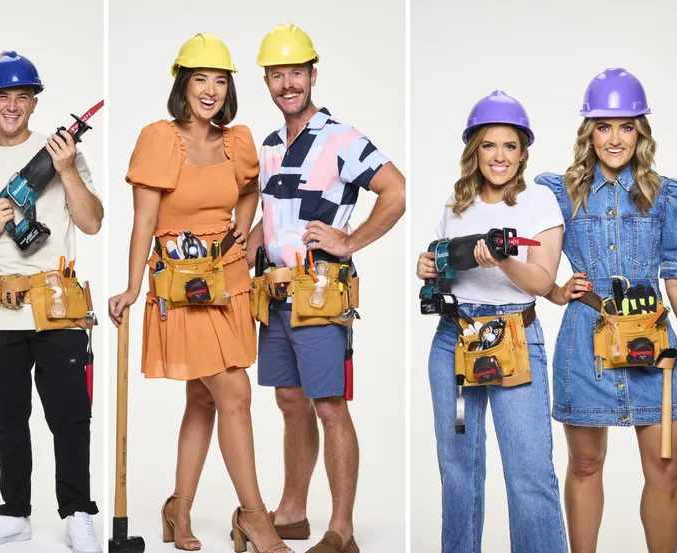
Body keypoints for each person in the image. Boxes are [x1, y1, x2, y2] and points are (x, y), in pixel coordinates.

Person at [108, 33, 292, 553]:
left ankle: (178, 509)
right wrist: (132, 286)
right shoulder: (160, 139)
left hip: (229, 281)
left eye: (220, 81)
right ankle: (254, 517)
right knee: (234, 392)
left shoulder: (237, 141)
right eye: (200, 80)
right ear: (183, 85)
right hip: (182, 284)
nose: (210, 91)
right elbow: (144, 222)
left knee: (203, 397)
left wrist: (242, 231)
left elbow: (251, 190)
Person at [246, 24, 406, 553]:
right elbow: (276, 215)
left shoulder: (342, 139)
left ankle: (342, 530)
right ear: (266, 82)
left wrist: (350, 240)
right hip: (273, 293)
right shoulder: (271, 145)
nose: (287, 84)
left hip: (319, 291)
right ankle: (292, 513)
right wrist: (249, 242)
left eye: (296, 72)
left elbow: (396, 191)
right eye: (277, 75)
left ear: (313, 75)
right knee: (290, 402)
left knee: (329, 406)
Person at [537, 68, 677, 553]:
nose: (615, 139)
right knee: (586, 465)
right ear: (589, 132)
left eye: (626, 126)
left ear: (640, 132)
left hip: (655, 345)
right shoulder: (559, 192)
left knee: (666, 468)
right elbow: (534, 262)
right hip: (586, 343)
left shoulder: (667, 196)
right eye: (604, 126)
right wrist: (555, 290)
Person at [0, 51, 103, 552]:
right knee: (6, 416)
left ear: (35, 103)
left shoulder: (60, 152)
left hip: (58, 304)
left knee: (70, 416)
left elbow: (91, 222)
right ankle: (14, 513)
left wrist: (67, 169)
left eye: (22, 96)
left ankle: (78, 513)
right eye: (3, 97)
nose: (12, 106)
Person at [416, 91, 568, 553]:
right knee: (458, 470)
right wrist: (429, 267)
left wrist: (503, 260)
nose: (499, 156)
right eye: (488, 145)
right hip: (455, 339)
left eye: (509, 146)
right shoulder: (456, 204)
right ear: (474, 150)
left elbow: (542, 281)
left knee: (529, 474)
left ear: (523, 153)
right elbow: (446, 268)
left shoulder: (538, 201)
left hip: (515, 337)